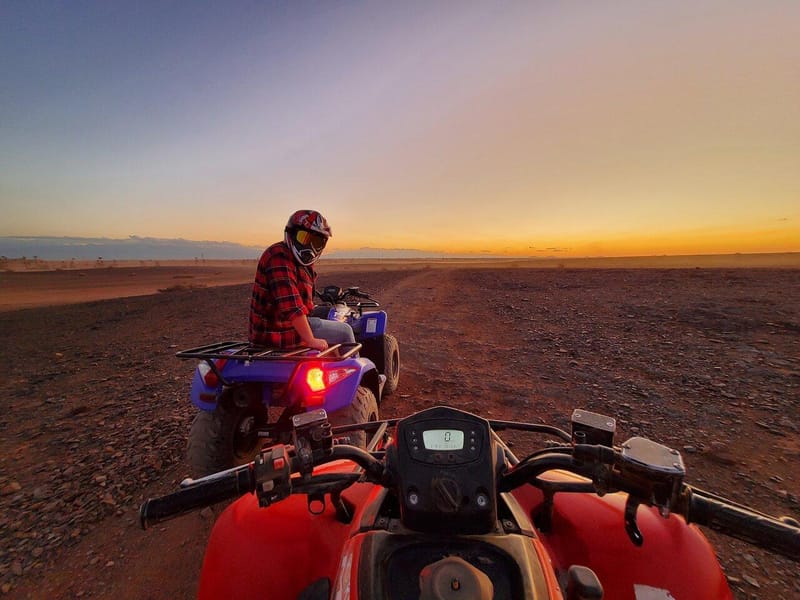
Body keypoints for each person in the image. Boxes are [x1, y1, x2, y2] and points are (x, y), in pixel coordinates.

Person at [249, 209, 355, 350]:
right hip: (277, 333)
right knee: (345, 331)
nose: (309, 246)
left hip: (283, 326)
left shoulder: (300, 263)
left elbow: (302, 302)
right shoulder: (278, 257)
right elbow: (292, 306)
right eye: (304, 238)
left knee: (329, 316)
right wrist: (310, 340)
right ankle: (357, 365)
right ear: (291, 233)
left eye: (316, 241)